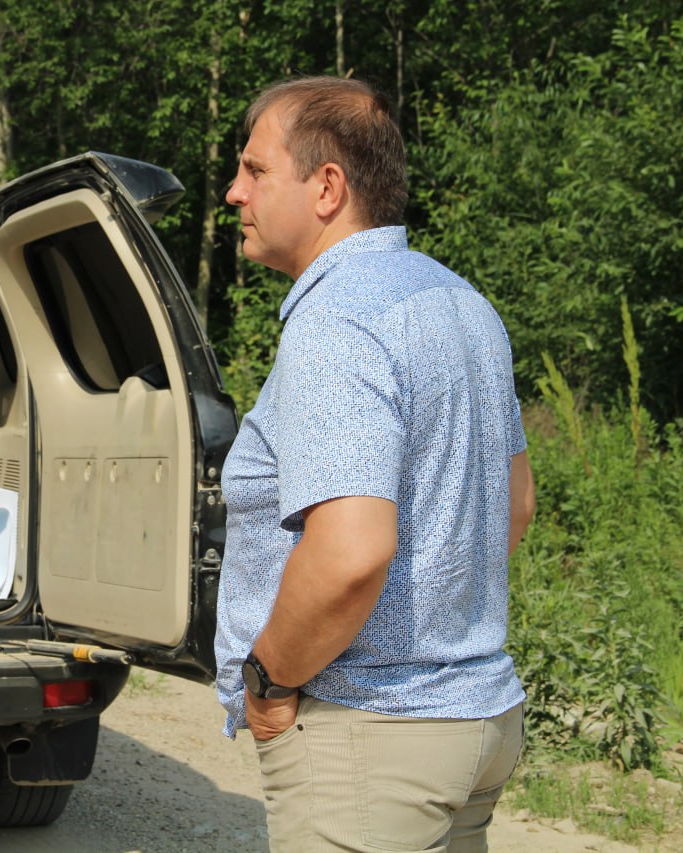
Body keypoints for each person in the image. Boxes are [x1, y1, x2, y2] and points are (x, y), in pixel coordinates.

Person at [214, 77, 536, 852]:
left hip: (371, 737)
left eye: (255, 171)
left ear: (327, 187)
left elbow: (351, 553)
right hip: (477, 721)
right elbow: (515, 504)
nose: (233, 193)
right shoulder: (461, 302)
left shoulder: (338, 320)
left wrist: (268, 683)